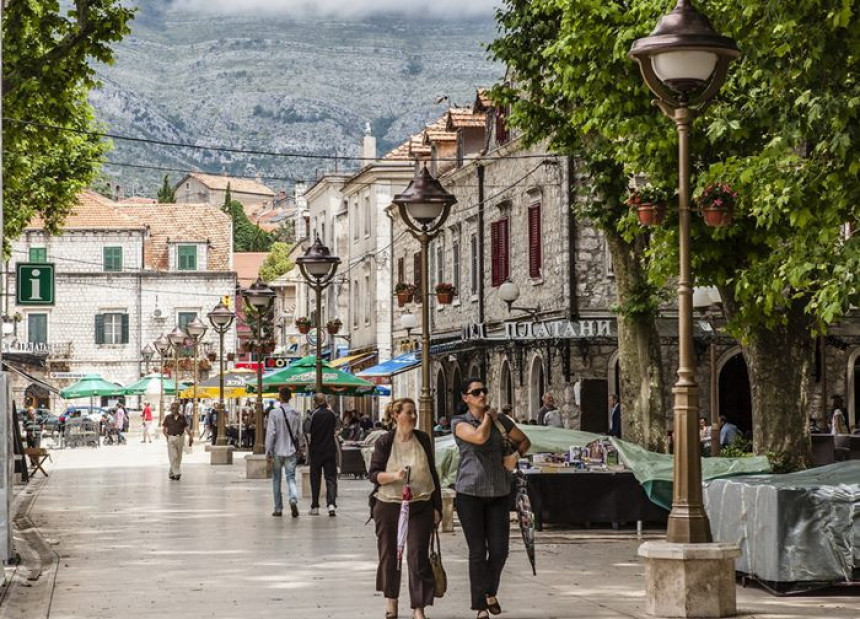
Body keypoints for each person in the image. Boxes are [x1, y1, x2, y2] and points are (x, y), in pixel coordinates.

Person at [452, 377, 530, 619]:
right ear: (465, 398)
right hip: (470, 493)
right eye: (475, 392)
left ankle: (489, 592)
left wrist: (515, 455)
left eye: (483, 390)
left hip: (498, 491)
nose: (482, 395)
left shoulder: (502, 421)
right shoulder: (460, 422)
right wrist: (488, 417)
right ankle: (480, 607)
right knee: (477, 551)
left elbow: (524, 440)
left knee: (499, 551)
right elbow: (479, 438)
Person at [369, 398, 442, 619]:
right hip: (389, 505)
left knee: (418, 556)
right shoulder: (385, 441)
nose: (413, 417)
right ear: (396, 416)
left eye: (414, 413)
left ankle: (418, 607)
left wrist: (437, 506)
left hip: (420, 504)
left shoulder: (423, 439)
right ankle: (392, 601)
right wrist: (394, 476)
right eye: (408, 413)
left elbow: (432, 473)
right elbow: (373, 474)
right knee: (390, 555)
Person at [266, 387, 303, 518]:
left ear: (280, 397)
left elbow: (271, 433)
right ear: (290, 397)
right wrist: (301, 448)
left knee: (276, 479)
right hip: (291, 450)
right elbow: (300, 433)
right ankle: (293, 499)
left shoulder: (274, 413)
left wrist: (268, 451)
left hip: (277, 450)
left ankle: (278, 508)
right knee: (291, 477)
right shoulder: (296, 413)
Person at [307, 393, 339, 516]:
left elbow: (307, 430)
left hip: (316, 451)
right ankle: (331, 504)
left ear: (315, 402)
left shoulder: (313, 415)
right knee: (330, 478)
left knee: (315, 478)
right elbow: (337, 427)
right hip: (329, 450)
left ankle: (315, 506)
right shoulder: (331, 414)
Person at [162, 401, 193, 480]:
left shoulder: (182, 417)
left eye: (175, 408)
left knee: (178, 457)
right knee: (173, 456)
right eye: (172, 408)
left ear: (178, 409)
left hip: (180, 438)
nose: (173, 410)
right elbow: (164, 429)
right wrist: (167, 437)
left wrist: (190, 436)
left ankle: (171, 473)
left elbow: (186, 427)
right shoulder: (168, 417)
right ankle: (177, 473)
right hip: (171, 438)